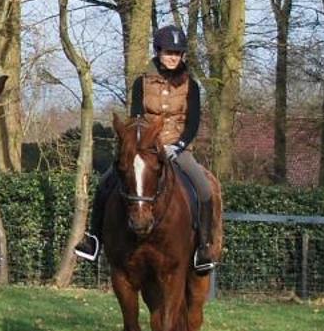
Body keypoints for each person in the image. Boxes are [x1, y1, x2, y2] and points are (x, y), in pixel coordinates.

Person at [82, 23, 220, 274]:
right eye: (168, 52)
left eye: (177, 53)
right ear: (158, 52)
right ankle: (94, 239)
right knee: (105, 183)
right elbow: (136, 118)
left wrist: (178, 146)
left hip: (178, 148)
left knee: (203, 188)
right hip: (145, 149)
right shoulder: (141, 82)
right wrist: (140, 146)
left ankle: (203, 246)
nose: (172, 57)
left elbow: (193, 122)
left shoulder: (192, 86)